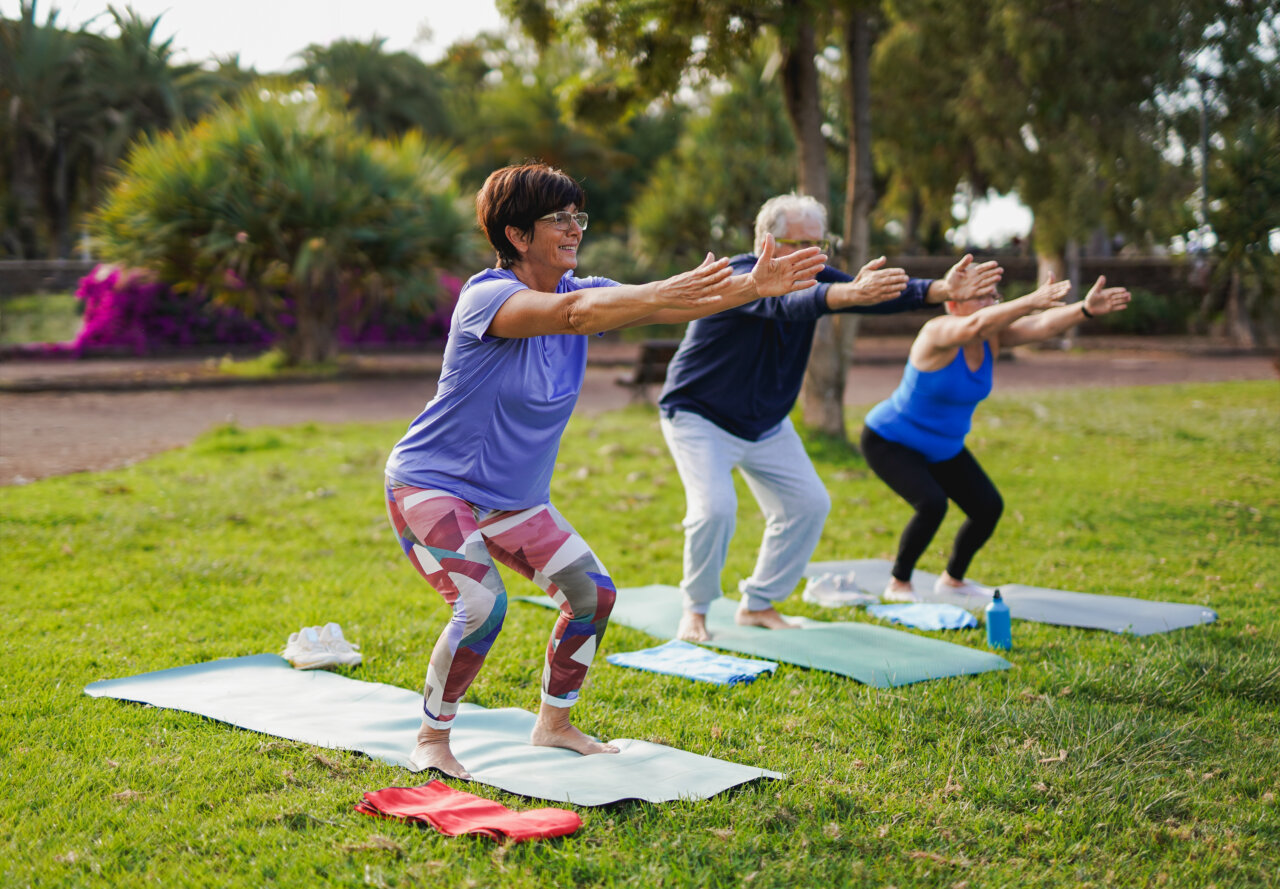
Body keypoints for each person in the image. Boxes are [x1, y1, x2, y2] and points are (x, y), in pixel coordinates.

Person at [383, 164, 828, 779]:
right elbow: (579, 316)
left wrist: (757, 287)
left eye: (577, 217)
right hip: (432, 484)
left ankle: (555, 723)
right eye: (559, 219)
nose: (574, 229)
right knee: (481, 605)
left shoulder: (581, 289)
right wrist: (669, 291)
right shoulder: (486, 296)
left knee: (593, 595)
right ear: (517, 236)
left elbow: (670, 303)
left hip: (513, 497)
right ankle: (433, 737)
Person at [658, 193, 1003, 643]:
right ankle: (696, 610)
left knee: (807, 505)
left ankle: (759, 603)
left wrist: (940, 290)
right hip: (699, 414)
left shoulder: (813, 274)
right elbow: (795, 303)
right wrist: (846, 294)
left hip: (765, 422)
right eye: (797, 243)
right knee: (715, 509)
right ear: (766, 240)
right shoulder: (738, 276)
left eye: (819, 245)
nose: (811, 255)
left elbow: (870, 296)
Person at [863, 275, 1131, 601]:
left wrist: (1084, 310)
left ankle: (953, 579)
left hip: (944, 446)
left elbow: (1043, 325)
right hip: (891, 439)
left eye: (994, 296)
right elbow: (975, 325)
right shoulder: (937, 333)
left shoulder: (993, 337)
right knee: (932, 504)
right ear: (953, 303)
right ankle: (899, 583)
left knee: (987, 507)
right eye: (981, 296)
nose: (991, 303)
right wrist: (1030, 300)